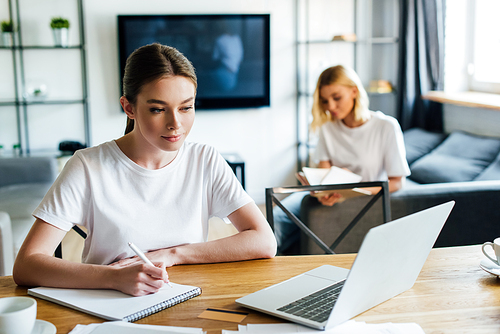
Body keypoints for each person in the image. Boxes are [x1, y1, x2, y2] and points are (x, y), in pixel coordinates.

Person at [13, 43, 276, 296]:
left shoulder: (204, 160)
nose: (176, 123)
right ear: (129, 107)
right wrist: (112, 278)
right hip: (110, 307)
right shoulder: (87, 166)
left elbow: (264, 241)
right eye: (158, 109)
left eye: (186, 107)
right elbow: (26, 265)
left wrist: (173, 254)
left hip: (185, 298)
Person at [274, 65, 410, 254]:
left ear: (354, 91)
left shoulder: (386, 126)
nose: (330, 106)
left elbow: (397, 182)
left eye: (336, 98)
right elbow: (323, 175)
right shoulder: (328, 128)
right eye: (324, 101)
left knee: (293, 224)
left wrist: (353, 189)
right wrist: (319, 191)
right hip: (332, 197)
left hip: (362, 199)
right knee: (276, 221)